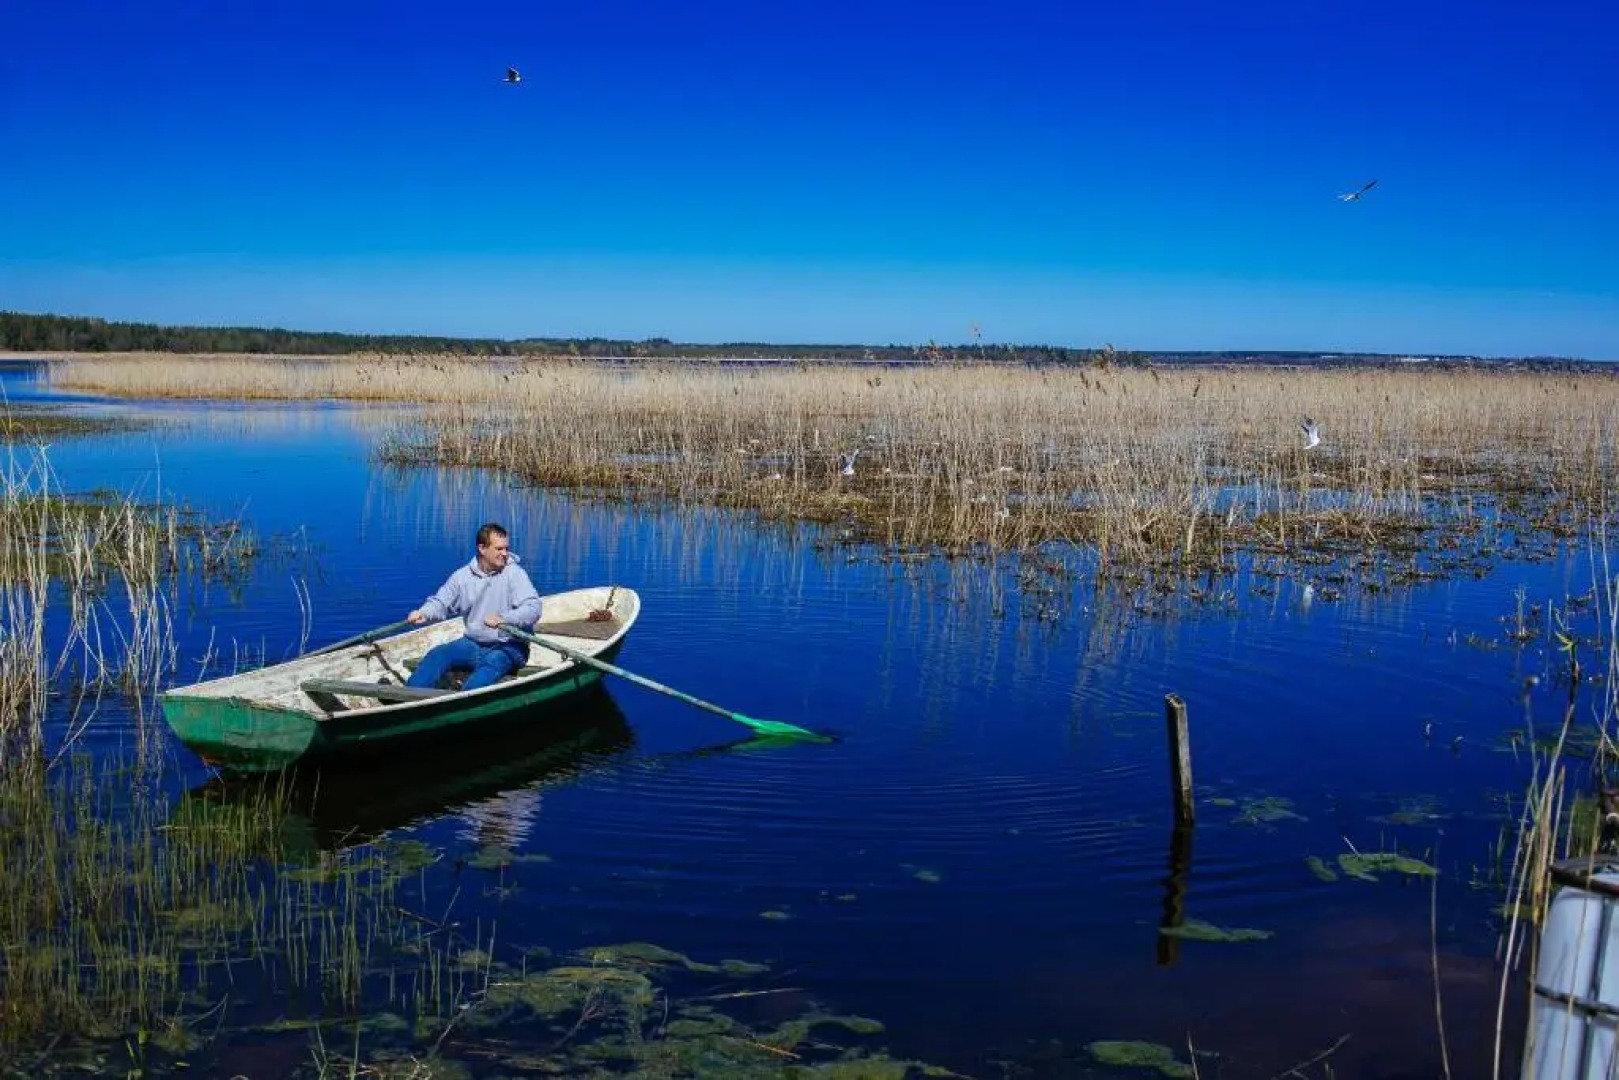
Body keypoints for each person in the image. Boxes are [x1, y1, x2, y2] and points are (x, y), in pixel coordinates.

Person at [404, 522, 541, 692]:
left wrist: (505, 619)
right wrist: (424, 613)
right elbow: (441, 602)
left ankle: (462, 703)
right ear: (482, 548)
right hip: (474, 643)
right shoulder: (462, 577)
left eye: (506, 548)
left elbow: (533, 608)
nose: (505, 553)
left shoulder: (515, 574)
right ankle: (405, 696)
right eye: (499, 549)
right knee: (438, 654)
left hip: (510, 646)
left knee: (492, 663)